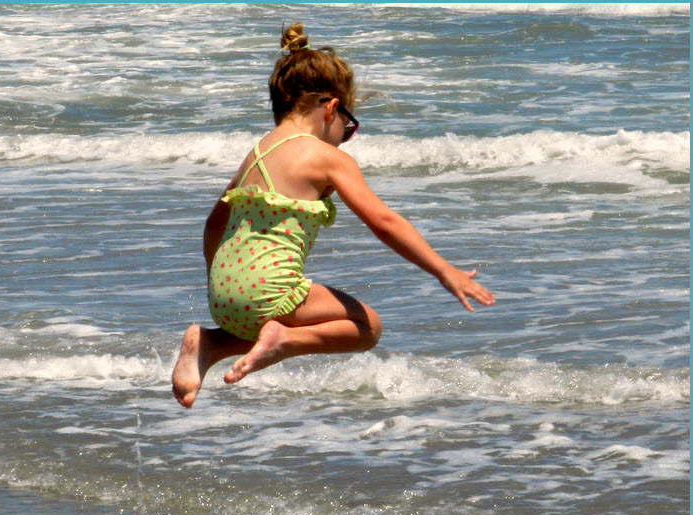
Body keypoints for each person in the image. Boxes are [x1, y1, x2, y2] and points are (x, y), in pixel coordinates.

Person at [172, 23, 495, 408]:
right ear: (330, 108)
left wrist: (222, 280)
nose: (345, 138)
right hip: (267, 289)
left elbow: (214, 222)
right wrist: (444, 270)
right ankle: (284, 341)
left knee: (268, 318)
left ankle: (210, 343)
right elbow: (384, 222)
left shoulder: (257, 154)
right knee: (366, 327)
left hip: (224, 296)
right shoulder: (327, 158)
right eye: (349, 128)